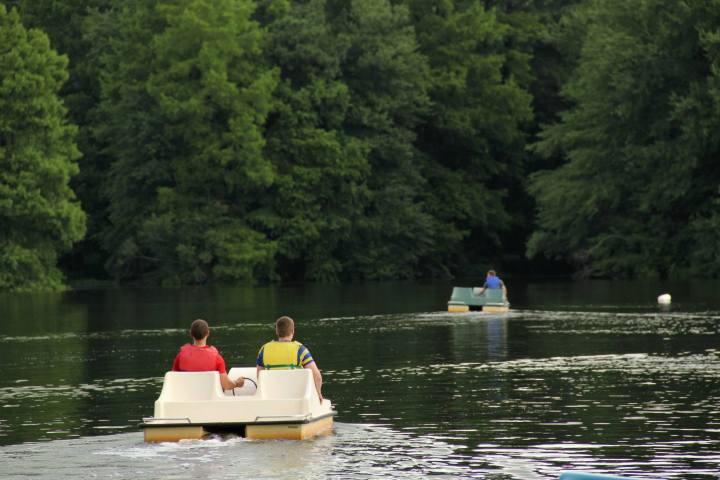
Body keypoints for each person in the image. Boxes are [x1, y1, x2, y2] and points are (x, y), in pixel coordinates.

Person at [256, 316, 323, 401]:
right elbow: (317, 376)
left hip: (271, 397)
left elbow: (259, 376)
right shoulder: (300, 349)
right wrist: (319, 393)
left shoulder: (264, 349)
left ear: (277, 331)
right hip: (295, 398)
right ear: (293, 331)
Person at [172, 318, 243, 391]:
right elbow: (226, 385)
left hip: (185, 397)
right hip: (209, 398)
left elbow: (173, 380)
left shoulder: (180, 356)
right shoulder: (217, 358)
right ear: (208, 333)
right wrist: (237, 383)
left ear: (191, 333)